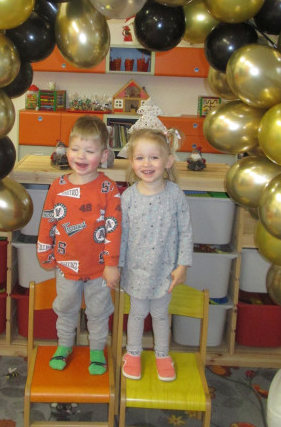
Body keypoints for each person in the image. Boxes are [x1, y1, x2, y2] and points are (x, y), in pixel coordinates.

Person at [37, 115, 122, 375]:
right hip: (66, 265)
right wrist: (44, 249)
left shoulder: (108, 188)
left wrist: (111, 264)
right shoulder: (58, 185)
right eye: (75, 149)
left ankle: (97, 350)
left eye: (89, 151)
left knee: (98, 312)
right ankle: (64, 345)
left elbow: (114, 228)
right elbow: (48, 219)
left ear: (104, 155)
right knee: (66, 308)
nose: (81, 156)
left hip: (99, 268)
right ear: (67, 151)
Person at [119, 128, 193, 382]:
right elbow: (121, 235)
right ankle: (133, 353)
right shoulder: (128, 197)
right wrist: (117, 265)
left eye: (154, 157)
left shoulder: (175, 195)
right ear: (132, 162)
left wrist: (183, 265)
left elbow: (185, 231)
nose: (147, 164)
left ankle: (162, 354)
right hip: (136, 270)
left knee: (161, 315)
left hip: (165, 270)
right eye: (140, 158)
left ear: (168, 161)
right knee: (137, 313)